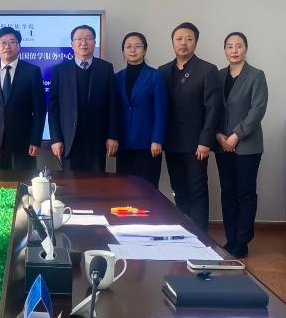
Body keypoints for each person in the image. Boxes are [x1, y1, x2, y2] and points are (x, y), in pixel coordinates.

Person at [158, 22, 222, 231]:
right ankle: (183, 232)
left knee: (197, 190)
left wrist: (206, 141)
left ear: (195, 42)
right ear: (172, 42)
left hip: (197, 144)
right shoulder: (163, 71)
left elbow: (213, 109)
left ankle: (200, 235)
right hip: (172, 142)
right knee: (178, 190)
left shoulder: (207, 70)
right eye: (179, 39)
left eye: (189, 39)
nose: (183, 43)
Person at [215, 32, 268, 258]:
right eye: (230, 46)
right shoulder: (218, 76)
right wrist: (219, 135)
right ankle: (230, 239)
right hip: (222, 144)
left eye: (239, 46)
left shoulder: (256, 75)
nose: (234, 50)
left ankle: (242, 241)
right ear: (225, 50)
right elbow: (214, 109)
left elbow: (258, 110)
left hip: (247, 145)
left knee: (245, 193)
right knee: (227, 192)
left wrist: (236, 135)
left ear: (246, 48)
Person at [48, 25, 119, 172]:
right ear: (72, 44)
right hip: (69, 140)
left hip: (97, 140)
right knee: (70, 182)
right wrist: (56, 139)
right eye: (79, 39)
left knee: (97, 182)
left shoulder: (105, 68)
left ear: (94, 42)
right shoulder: (60, 71)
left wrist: (112, 135)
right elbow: (53, 109)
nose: (83, 43)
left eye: (88, 39)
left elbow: (113, 105)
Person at [0, 27, 46, 170]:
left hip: (24, 142)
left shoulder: (32, 72)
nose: (7, 46)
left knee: (23, 181)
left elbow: (39, 110)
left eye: (12, 42)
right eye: (2, 42)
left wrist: (35, 140)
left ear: (19, 46)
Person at [114, 32, 167, 188]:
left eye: (137, 46)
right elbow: (114, 111)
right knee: (124, 190)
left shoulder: (156, 76)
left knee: (147, 190)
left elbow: (161, 111)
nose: (133, 50)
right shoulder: (117, 78)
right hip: (123, 143)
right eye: (128, 46)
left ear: (145, 50)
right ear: (123, 51)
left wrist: (157, 139)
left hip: (147, 144)